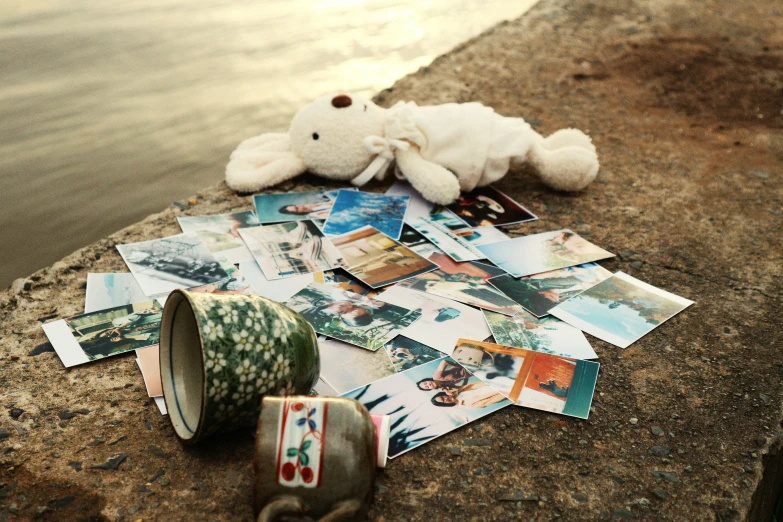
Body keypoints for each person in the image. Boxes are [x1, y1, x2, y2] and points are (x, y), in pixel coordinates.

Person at [430, 381, 506, 408]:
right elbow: (492, 400)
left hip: (494, 382)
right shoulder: (468, 405)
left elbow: (441, 384)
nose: (445, 398)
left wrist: (445, 390)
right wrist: (505, 392)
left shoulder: (457, 391)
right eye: (443, 400)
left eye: (443, 397)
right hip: (502, 390)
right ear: (445, 404)